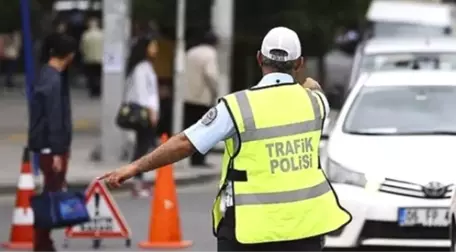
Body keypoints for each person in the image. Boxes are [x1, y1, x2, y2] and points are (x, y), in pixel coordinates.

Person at [99, 26, 351, 252]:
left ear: (259, 59)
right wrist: (308, 84)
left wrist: (134, 167)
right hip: (305, 228)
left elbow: (185, 143)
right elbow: (314, 88)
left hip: (249, 231)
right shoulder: (316, 103)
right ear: (300, 64)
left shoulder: (237, 107)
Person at [28, 34, 76, 252]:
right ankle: (42, 243)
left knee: (51, 192)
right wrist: (57, 152)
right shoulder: (53, 80)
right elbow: (54, 118)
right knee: (50, 195)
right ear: (69, 55)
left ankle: (43, 242)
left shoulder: (47, 75)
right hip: (52, 148)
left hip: (49, 146)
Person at [123, 34, 160, 197]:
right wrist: (151, 111)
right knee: (142, 148)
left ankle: (140, 180)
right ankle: (136, 182)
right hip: (144, 113)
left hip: (148, 111)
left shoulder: (146, 66)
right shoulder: (141, 68)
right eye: (153, 45)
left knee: (144, 147)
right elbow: (142, 93)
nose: (155, 49)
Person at [183, 31, 219, 167]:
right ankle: (200, 160)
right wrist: (215, 90)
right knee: (205, 129)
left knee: (191, 129)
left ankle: (192, 158)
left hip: (188, 96)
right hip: (203, 97)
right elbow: (211, 74)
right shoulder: (210, 54)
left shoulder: (190, 52)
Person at [40, 20, 71, 87]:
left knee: (61, 79)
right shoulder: (50, 37)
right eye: (60, 26)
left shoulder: (67, 38)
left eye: (63, 26)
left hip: (62, 61)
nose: (61, 28)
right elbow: (45, 50)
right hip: (54, 61)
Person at [80, 17, 103, 98]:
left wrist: (85, 55)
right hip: (100, 59)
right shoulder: (102, 34)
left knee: (91, 76)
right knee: (99, 76)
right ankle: (99, 90)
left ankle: (93, 91)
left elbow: (82, 47)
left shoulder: (86, 35)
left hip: (89, 59)